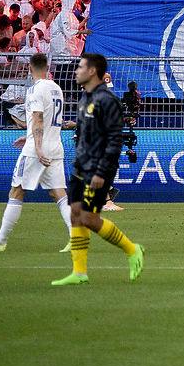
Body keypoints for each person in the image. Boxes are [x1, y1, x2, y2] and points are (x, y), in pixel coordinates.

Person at [50, 54, 143, 285]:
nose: (76, 71)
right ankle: (79, 272)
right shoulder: (86, 99)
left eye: (80, 67)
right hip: (81, 166)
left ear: (92, 71)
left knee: (90, 218)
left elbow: (114, 139)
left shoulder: (106, 99)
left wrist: (101, 171)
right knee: (75, 216)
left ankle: (132, 250)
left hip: (98, 169)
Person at [0, 52, 72, 251]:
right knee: (59, 194)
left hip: (37, 150)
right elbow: (52, 119)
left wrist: (36, 145)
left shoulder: (35, 90)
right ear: (47, 69)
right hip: (55, 146)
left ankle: (0, 241)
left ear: (29, 68)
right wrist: (29, 135)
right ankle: (76, 238)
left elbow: (38, 117)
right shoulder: (56, 88)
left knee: (16, 190)